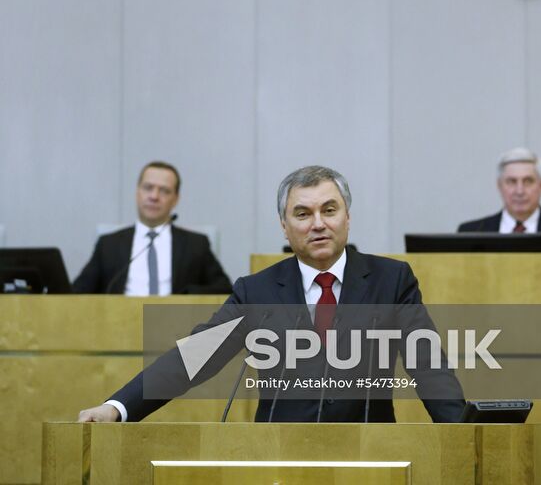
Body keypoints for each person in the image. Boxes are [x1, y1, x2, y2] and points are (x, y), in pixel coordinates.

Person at [78, 165, 465, 423]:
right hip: (276, 457)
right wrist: (118, 407)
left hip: (369, 455)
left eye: (329, 210)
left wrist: (465, 435)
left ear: (348, 217)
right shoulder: (258, 290)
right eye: (302, 214)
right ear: (284, 226)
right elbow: (195, 357)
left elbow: (429, 367)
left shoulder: (391, 280)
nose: (318, 224)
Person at [72, 161, 232, 295]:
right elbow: (77, 293)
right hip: (119, 323)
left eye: (164, 191)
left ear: (176, 199)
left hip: (176, 327)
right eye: (148, 187)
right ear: (137, 192)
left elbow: (224, 289)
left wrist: (184, 297)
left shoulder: (196, 244)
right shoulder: (109, 244)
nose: (154, 196)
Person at [458, 148, 541, 252]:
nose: (519, 191)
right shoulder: (471, 233)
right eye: (511, 182)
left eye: (528, 181)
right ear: (499, 186)